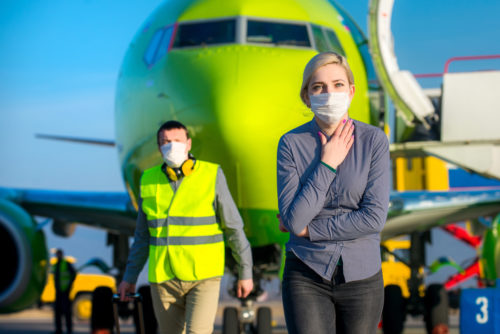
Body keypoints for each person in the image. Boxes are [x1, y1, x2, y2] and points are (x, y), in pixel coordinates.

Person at [277, 52, 390, 334]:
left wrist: (310, 230)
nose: (329, 93)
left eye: (338, 85)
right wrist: (327, 163)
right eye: (318, 87)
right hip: (306, 272)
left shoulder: (374, 140)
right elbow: (293, 221)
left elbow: (373, 219)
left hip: (362, 275)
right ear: (306, 97)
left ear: (351, 91)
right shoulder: (291, 144)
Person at [118, 120, 254, 334]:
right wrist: (129, 278)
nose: (172, 146)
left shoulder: (211, 175)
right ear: (159, 147)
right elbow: (142, 237)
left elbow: (234, 228)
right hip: (163, 279)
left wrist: (245, 272)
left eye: (177, 141)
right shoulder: (148, 180)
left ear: (188, 144)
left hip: (203, 276)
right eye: (166, 142)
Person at [53, 249, 76, 334]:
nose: (58, 256)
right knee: (57, 312)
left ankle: (69, 330)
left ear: (62, 254)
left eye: (59, 254)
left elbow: (74, 274)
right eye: (57, 254)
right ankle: (58, 330)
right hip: (58, 291)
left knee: (67, 312)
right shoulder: (56, 265)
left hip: (65, 292)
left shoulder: (66, 263)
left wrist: (69, 286)